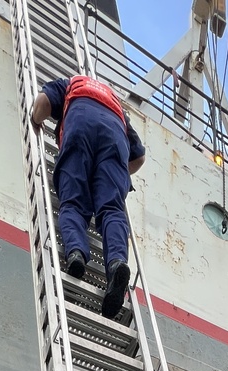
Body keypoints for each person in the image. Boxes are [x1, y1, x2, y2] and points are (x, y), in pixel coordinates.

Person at [31, 74, 145, 318]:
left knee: (73, 203)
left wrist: (35, 120)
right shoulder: (117, 106)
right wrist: (115, 172)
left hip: (79, 125)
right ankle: (116, 265)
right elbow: (139, 158)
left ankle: (76, 254)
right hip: (116, 139)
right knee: (112, 209)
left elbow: (42, 103)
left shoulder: (70, 84)